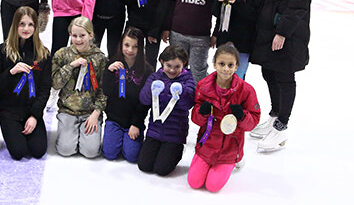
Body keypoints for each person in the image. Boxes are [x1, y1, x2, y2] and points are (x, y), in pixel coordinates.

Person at [250, 0, 319, 151]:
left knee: (283, 75)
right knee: (269, 72)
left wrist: (283, 32)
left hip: (287, 29)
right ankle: (274, 115)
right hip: (272, 25)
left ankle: (282, 127)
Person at [188, 43, 261, 192]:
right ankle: (205, 162)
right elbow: (195, 119)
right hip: (207, 145)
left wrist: (242, 116)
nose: (226, 69)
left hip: (229, 147)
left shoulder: (246, 90)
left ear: (236, 67)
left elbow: (252, 122)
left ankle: (234, 161)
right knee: (194, 183)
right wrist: (202, 112)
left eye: (230, 65)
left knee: (213, 186)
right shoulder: (203, 86)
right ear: (214, 64)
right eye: (221, 64)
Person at [0, 6, 52, 160]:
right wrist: (11, 72)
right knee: (18, 152)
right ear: (15, 25)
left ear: (36, 27)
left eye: (30, 24)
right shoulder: (2, 51)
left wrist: (35, 116)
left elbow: (44, 89)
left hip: (31, 112)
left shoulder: (43, 54)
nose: (26, 28)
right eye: (22, 24)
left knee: (38, 150)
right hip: (9, 112)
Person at [52, 16, 107, 158]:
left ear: (91, 35)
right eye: (74, 35)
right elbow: (55, 83)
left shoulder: (100, 58)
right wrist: (70, 66)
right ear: (70, 34)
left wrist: (96, 113)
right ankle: (70, 131)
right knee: (65, 150)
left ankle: (84, 133)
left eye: (82, 35)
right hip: (68, 110)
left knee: (90, 152)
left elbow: (104, 90)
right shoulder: (62, 54)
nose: (78, 40)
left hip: (89, 112)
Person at [137, 45, 195, 176]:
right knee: (144, 166)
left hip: (175, 133)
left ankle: (178, 149)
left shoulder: (188, 79)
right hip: (154, 130)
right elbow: (144, 100)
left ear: (184, 64)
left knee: (162, 169)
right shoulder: (155, 77)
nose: (172, 70)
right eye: (169, 65)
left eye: (177, 67)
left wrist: (182, 92)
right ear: (162, 62)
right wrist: (151, 89)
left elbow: (189, 104)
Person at [102, 26, 153, 163]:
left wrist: (136, 123)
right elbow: (105, 91)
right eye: (126, 45)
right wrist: (108, 72)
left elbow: (145, 102)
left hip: (133, 121)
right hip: (114, 119)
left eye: (135, 47)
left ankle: (130, 137)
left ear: (140, 47)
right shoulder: (113, 64)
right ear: (121, 44)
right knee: (110, 154)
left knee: (132, 156)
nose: (130, 50)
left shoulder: (147, 70)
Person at [211, 0, 264, 80]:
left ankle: (236, 101)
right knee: (222, 75)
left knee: (238, 77)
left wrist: (239, 3)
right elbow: (216, 13)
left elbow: (255, 16)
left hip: (244, 42)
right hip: (224, 39)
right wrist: (217, 2)